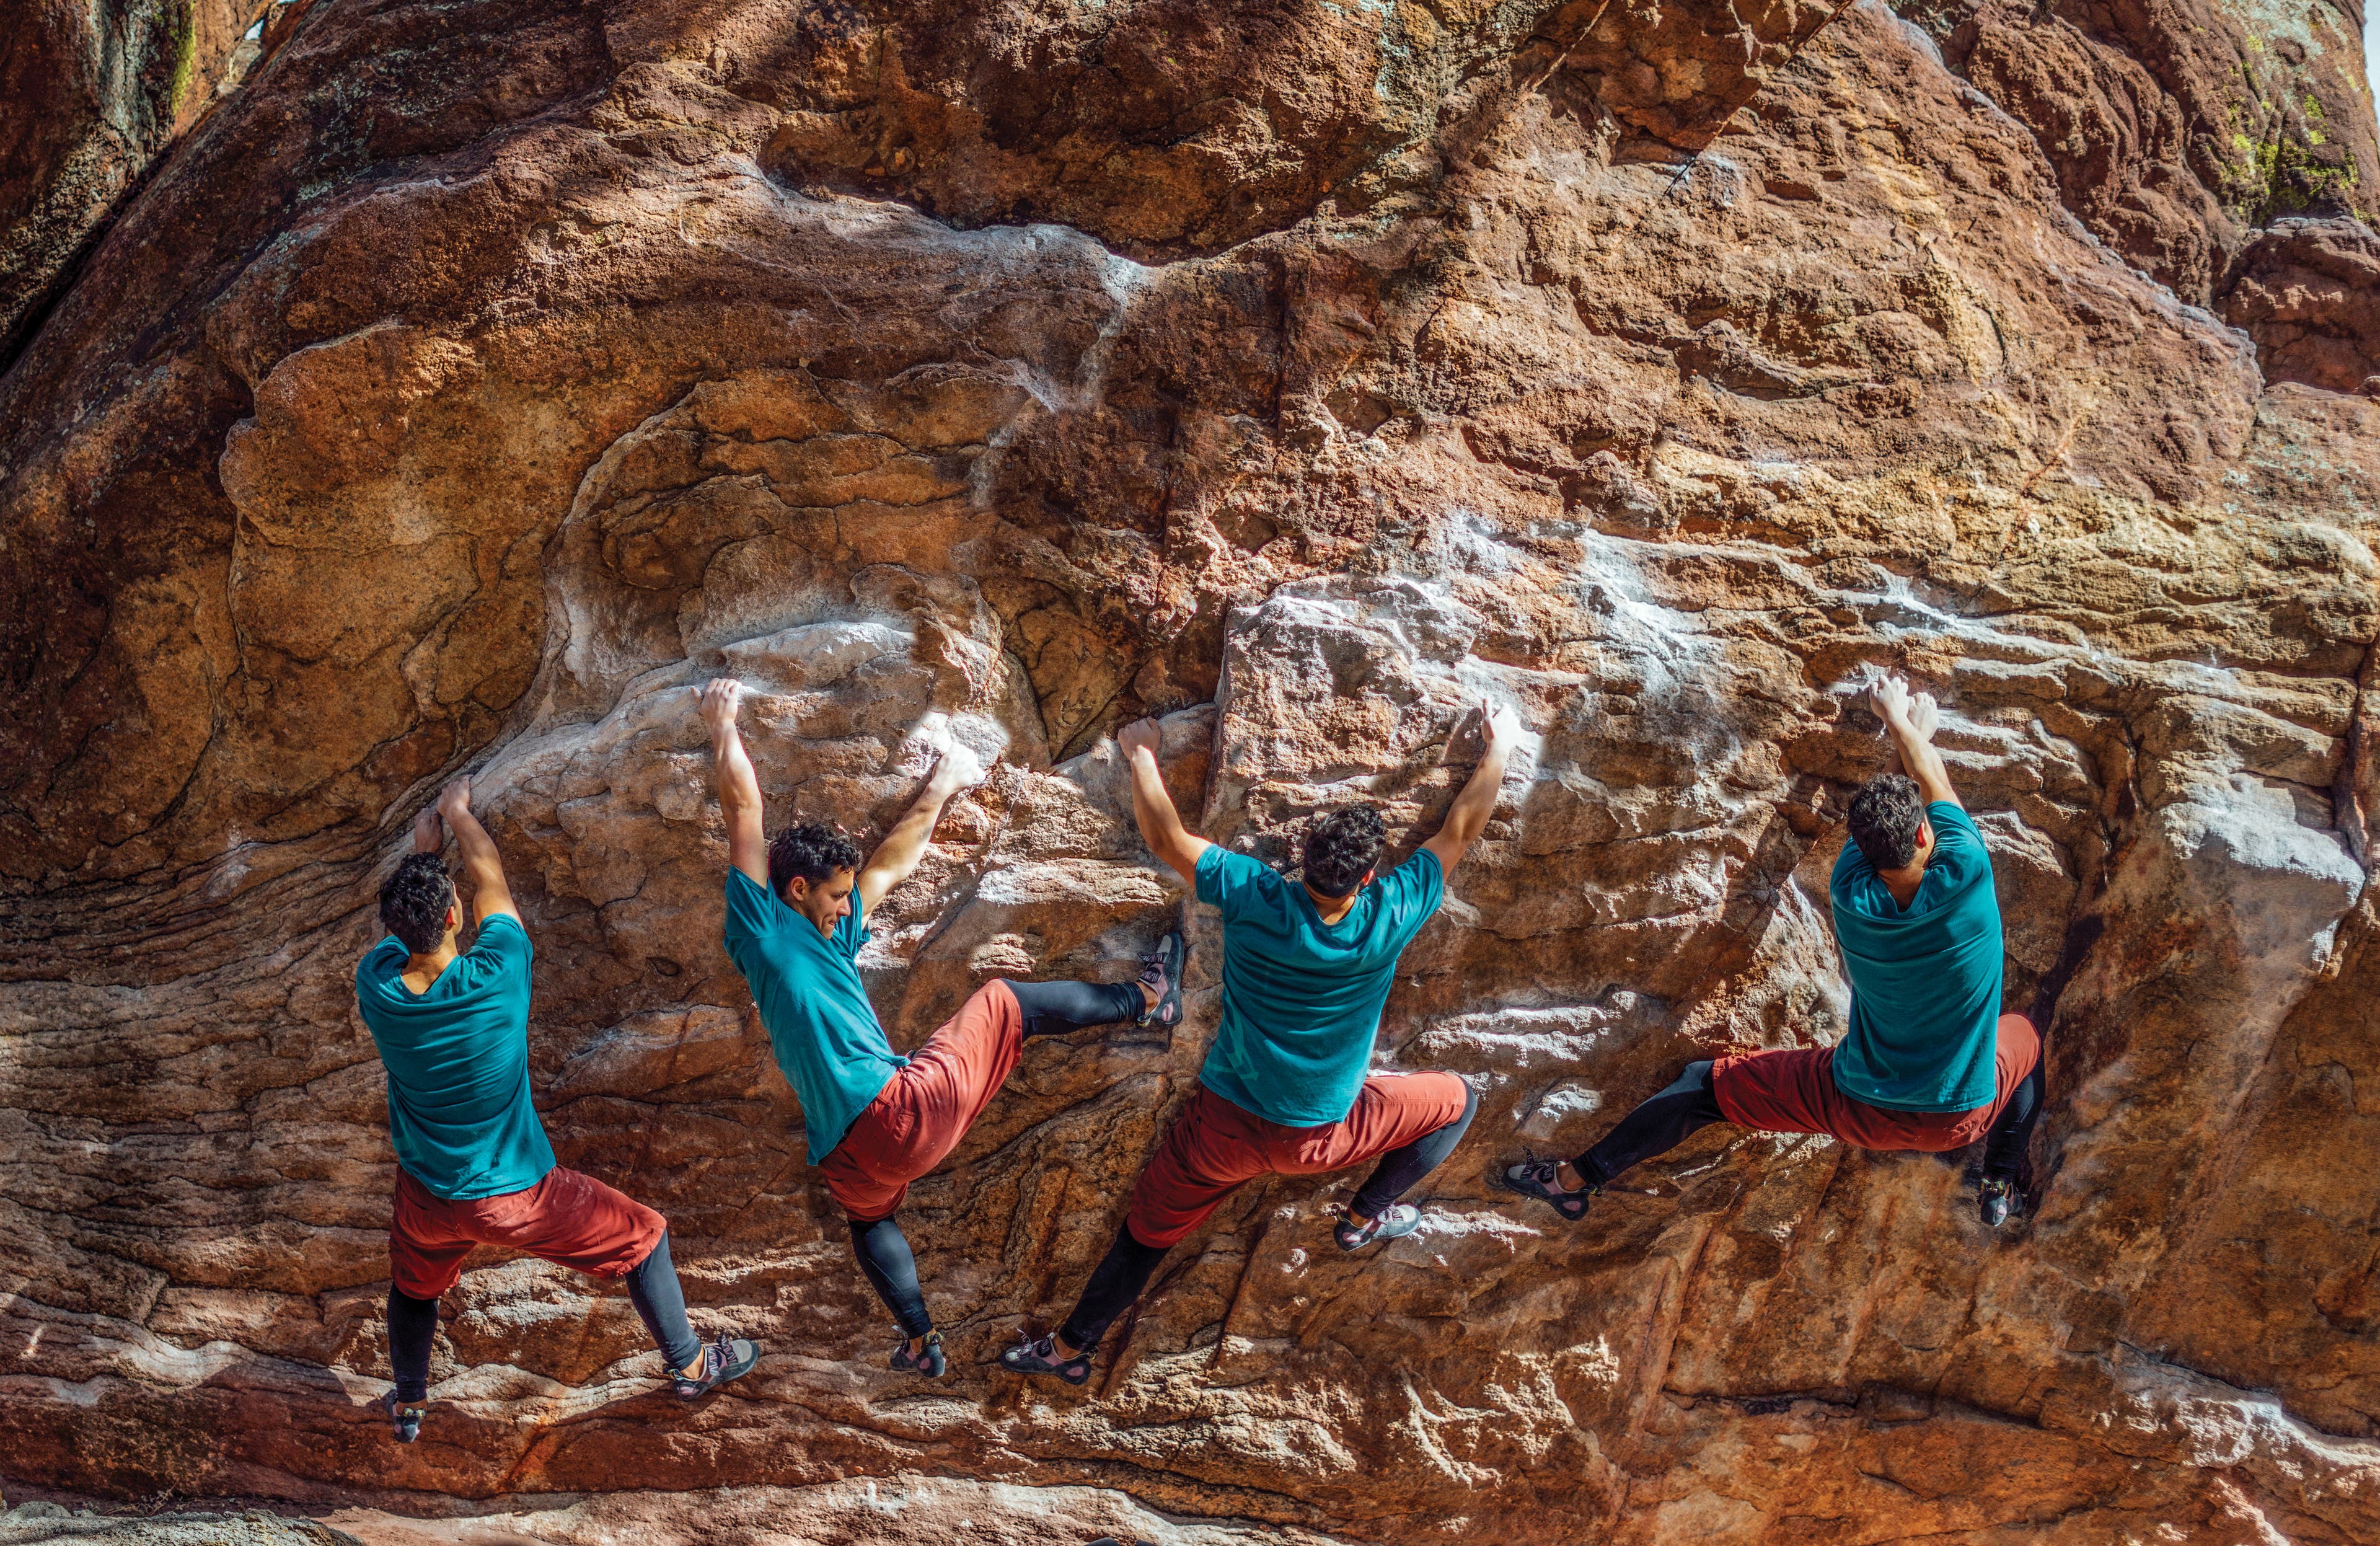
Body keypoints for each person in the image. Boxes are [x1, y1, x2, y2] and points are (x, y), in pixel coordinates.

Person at [1001, 705, 1512, 1386]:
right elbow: (1460, 828)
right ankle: (1364, 1216)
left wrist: (1144, 754)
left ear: (1302, 862)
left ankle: (1069, 1350)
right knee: (1460, 1100)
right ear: (1366, 880)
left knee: (1144, 1237)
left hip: (1221, 1130)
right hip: (1321, 1137)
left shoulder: (1256, 896)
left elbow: (1165, 837)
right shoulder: (1391, 913)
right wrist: (1500, 746)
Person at [699, 678, 1186, 1380]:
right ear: (796, 889)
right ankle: (1148, 999)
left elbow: (892, 865)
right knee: (1003, 1000)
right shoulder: (762, 928)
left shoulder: (825, 939)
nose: (846, 906)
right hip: (899, 1115)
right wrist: (723, 724)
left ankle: (921, 1339)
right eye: (836, 894)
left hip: (849, 1152)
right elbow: (743, 807)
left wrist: (944, 784)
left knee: (869, 1222)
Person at [1501, 673, 2045, 1230]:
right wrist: (1906, 727)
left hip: (1856, 1105)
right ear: (1927, 839)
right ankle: (1999, 1184)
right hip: (1962, 1114)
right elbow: (1937, 784)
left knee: (1701, 1089)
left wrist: (1903, 733)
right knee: (2024, 1039)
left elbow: (1886, 814)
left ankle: (1573, 1181)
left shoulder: (1849, 891)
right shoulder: (1966, 876)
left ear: (1862, 849)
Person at [359, 777, 759, 1445]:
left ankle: (408, 1405)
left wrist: (420, 857)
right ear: (455, 916)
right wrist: (458, 817)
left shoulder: (378, 989)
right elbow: (493, 885)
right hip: (516, 1195)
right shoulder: (498, 973)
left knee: (414, 1287)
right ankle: (690, 1363)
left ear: (397, 933)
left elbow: (415, 928)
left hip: (427, 1195)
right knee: (645, 1236)